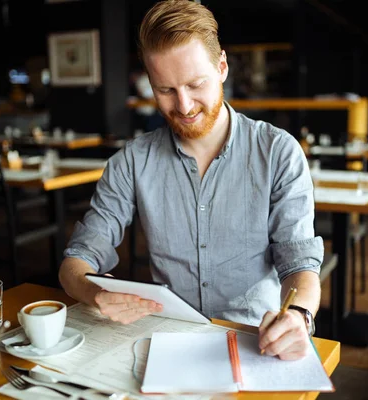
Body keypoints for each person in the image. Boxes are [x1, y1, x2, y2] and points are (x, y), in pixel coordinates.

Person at [59, 0, 323, 361]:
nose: (183, 106)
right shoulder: (131, 162)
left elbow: (299, 264)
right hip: (168, 337)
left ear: (222, 67)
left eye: (195, 84)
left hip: (254, 340)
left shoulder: (278, 152)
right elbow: (77, 260)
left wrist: (298, 315)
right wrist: (94, 293)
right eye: (165, 90)